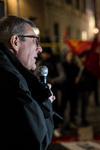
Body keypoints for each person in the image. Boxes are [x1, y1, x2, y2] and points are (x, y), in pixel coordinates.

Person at [0, 15, 55, 150]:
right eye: (35, 41)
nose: (40, 48)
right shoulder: (11, 79)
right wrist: (45, 101)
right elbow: (38, 140)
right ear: (15, 41)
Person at [34, 47, 66, 130]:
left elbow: (62, 76)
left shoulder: (56, 63)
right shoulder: (40, 63)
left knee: (54, 107)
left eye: (44, 53)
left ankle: (56, 126)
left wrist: (54, 80)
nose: (42, 54)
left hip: (54, 89)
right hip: (41, 90)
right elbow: (34, 74)